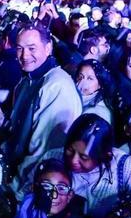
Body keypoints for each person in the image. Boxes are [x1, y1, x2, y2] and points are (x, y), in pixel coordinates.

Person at [6, 24, 82, 185]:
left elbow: (46, 152)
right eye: (20, 48)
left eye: (32, 48)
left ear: (48, 48)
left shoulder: (57, 85)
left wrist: (16, 189)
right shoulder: (28, 79)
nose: (25, 55)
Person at [41, 114, 131, 218]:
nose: (74, 160)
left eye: (84, 157)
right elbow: (26, 195)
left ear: (105, 156)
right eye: (70, 151)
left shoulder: (127, 167)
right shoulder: (53, 157)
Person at [73, 60, 115, 125]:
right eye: (80, 76)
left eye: (90, 78)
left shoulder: (98, 113)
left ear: (100, 84)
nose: (82, 82)